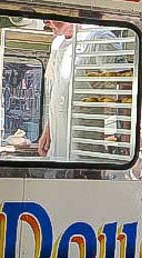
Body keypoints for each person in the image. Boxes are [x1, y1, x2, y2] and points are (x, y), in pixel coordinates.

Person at [36, 19, 128, 160]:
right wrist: (48, 130)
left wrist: (127, 136)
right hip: (58, 139)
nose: (46, 23)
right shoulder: (57, 43)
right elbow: (56, 91)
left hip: (84, 137)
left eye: (48, 18)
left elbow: (124, 86)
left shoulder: (100, 37)